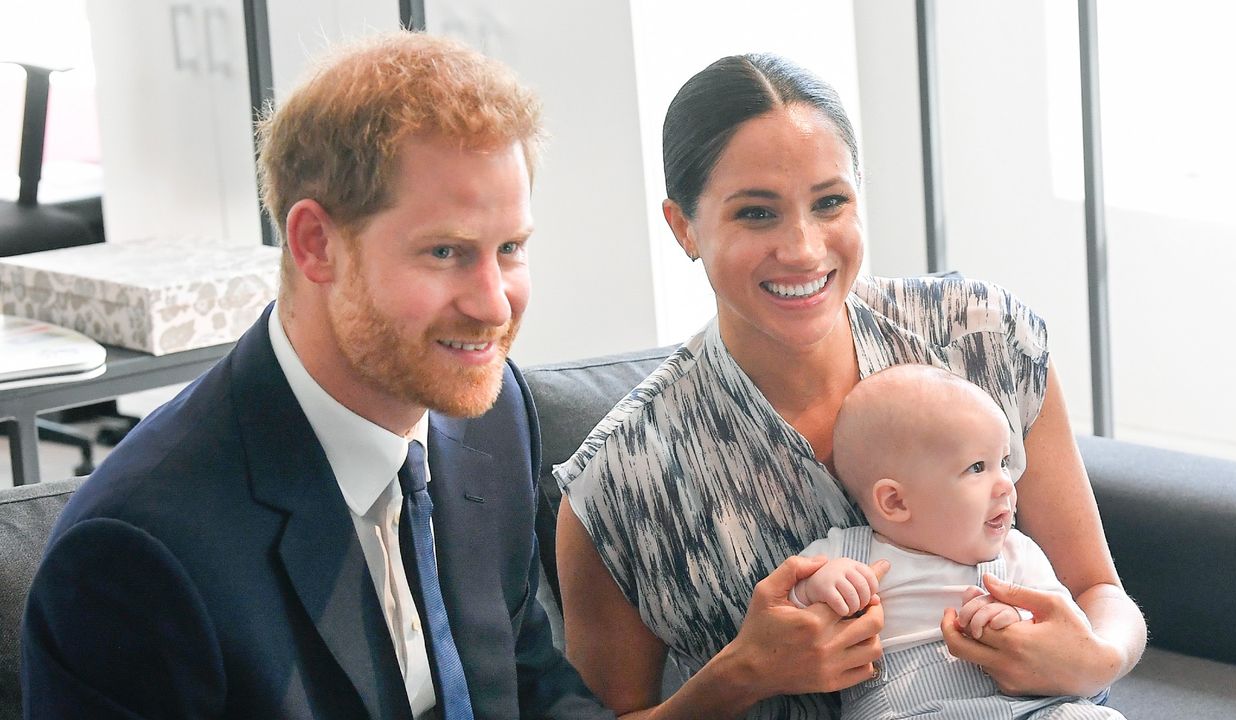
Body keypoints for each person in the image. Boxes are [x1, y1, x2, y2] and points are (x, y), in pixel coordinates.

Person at [22, 32, 611, 720]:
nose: (492, 303)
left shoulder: (492, 411)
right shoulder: (134, 560)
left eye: (509, 248)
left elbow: (527, 679)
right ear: (314, 244)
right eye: (445, 251)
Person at [555, 52, 1146, 719]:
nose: (804, 249)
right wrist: (741, 676)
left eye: (830, 202)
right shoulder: (619, 482)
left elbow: (1098, 587)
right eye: (756, 214)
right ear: (683, 226)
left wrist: (1099, 656)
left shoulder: (982, 339)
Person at [790, 364, 1124, 719]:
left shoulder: (1017, 553)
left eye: (1004, 462)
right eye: (978, 467)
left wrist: (1017, 619)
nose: (1006, 484)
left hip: (1027, 708)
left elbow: (1067, 631)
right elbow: (784, 615)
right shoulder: (847, 555)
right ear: (895, 502)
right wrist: (817, 587)